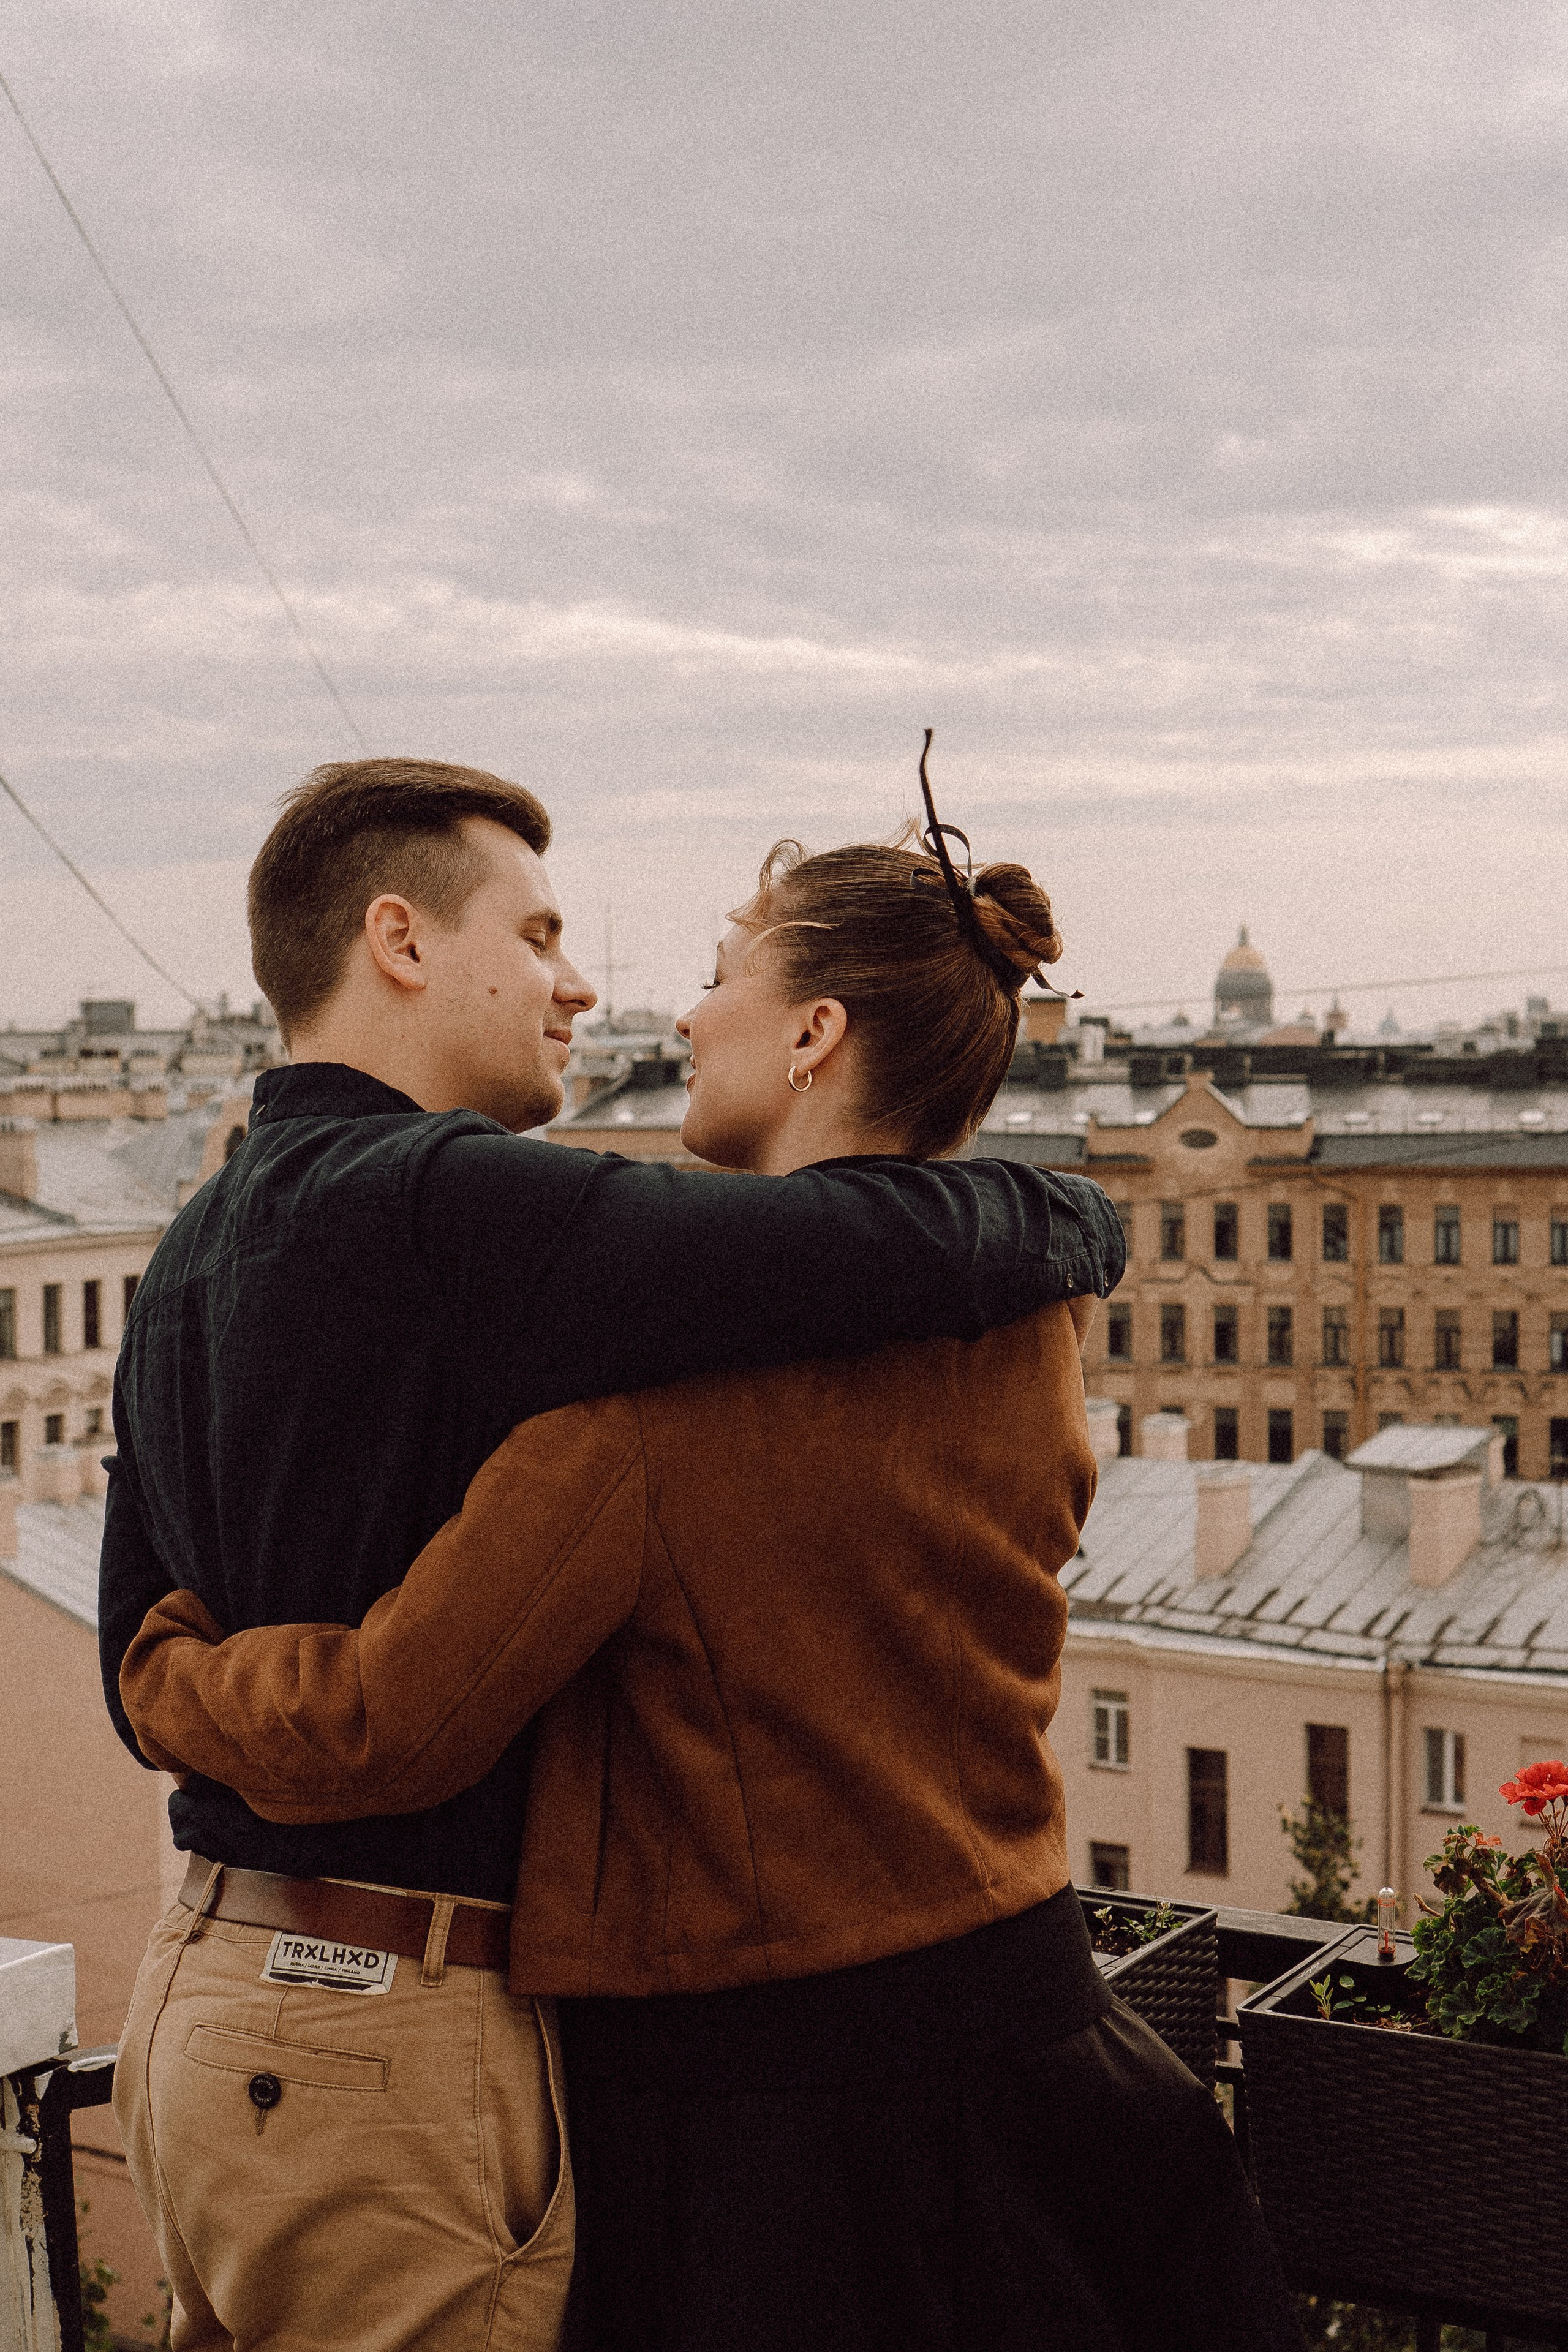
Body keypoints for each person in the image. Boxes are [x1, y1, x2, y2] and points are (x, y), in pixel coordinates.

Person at [119, 809, 1300, 2351]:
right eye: (541, 939)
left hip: (778, 2121)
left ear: (813, 1032)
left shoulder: (641, 1408)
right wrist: (1069, 1204)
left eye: (716, 972)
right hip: (1043, 2038)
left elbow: (389, 1716)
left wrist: (166, 1678)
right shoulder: (1025, 1339)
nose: (664, 1010)